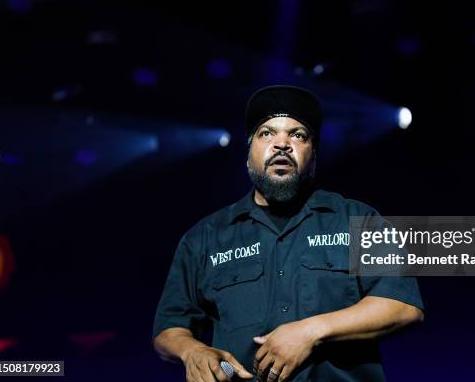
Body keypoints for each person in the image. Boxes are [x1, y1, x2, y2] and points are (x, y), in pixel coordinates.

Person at [152, 85, 424, 382]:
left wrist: (311, 331)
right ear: (247, 155)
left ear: (314, 156)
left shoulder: (359, 219)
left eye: (297, 135)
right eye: (267, 133)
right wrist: (192, 351)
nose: (282, 144)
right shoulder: (203, 237)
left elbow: (402, 306)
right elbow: (170, 328)